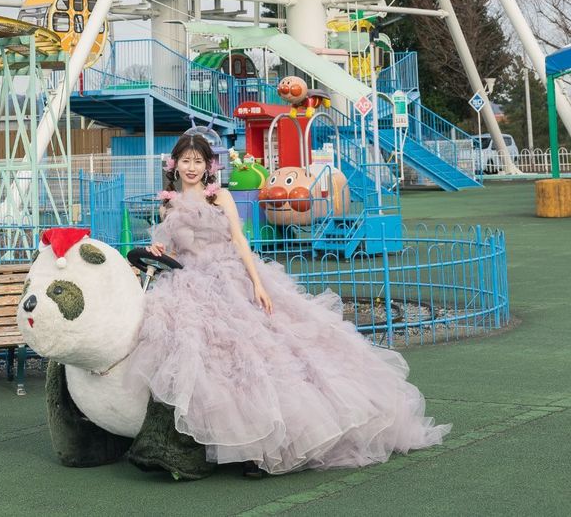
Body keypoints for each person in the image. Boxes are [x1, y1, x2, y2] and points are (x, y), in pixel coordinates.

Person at [125, 130, 450, 477]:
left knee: (266, 352)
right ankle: (220, 443)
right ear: (175, 165)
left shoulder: (220, 198)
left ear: (209, 166)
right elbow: (173, 253)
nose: (192, 167)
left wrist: (258, 283)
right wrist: (159, 251)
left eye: (198, 161)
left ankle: (273, 443)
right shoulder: (167, 203)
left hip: (229, 275)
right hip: (191, 280)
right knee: (212, 361)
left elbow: (238, 241)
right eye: (186, 161)